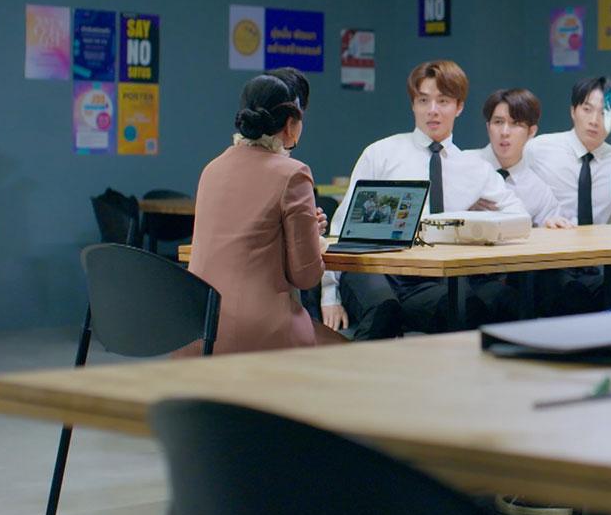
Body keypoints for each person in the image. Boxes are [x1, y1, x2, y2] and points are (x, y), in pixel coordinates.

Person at [321, 60, 528, 336]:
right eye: (423, 100)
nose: (432, 110)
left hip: (427, 281)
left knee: (465, 308)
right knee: (384, 310)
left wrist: (475, 221)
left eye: (443, 101)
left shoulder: (474, 168)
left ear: (459, 106)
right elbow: (340, 231)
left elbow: (519, 217)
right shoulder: (381, 154)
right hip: (373, 269)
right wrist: (330, 295)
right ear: (413, 105)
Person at [186, 72, 340, 354]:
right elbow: (306, 276)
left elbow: (247, 240)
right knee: (353, 355)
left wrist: (301, 232)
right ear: (291, 125)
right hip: (259, 334)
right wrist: (314, 241)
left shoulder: (211, 169)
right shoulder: (293, 174)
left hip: (198, 331)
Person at [528, 76, 611, 314]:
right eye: (587, 109)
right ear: (573, 111)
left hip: (588, 269)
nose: (595, 120)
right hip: (543, 265)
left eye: (605, 113)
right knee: (572, 295)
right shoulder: (538, 149)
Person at [473, 89, 573, 228]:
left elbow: (557, 227)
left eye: (515, 124)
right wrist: (462, 208)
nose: (505, 132)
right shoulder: (463, 164)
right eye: (498, 122)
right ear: (488, 127)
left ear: (531, 131)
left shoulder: (539, 191)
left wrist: (552, 226)